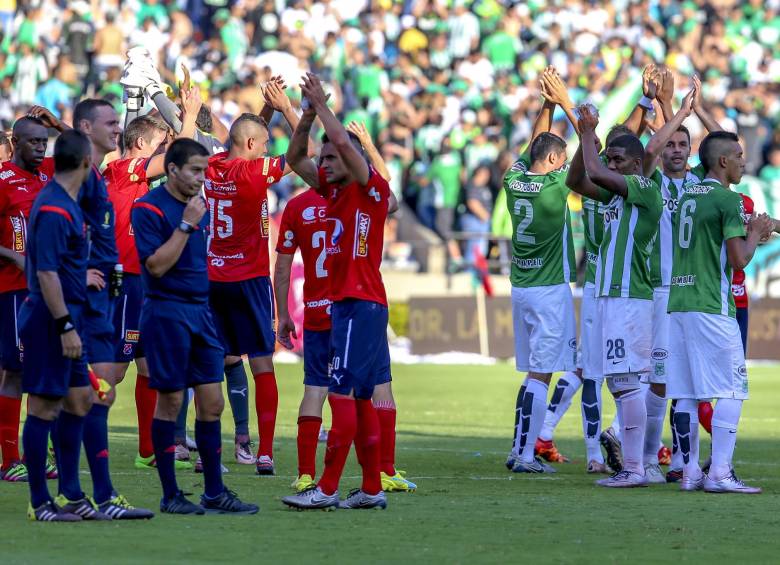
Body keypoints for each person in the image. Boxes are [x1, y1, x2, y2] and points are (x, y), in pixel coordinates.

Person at [281, 73, 397, 510]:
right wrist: (307, 116)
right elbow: (296, 157)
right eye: (324, 158)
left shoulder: (371, 188)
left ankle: (327, 488)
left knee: (341, 393)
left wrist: (322, 107)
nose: (324, 163)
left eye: (331, 158)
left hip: (359, 304)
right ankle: (371, 488)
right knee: (362, 399)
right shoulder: (335, 191)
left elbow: (346, 145)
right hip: (355, 305)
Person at [131, 138, 258, 514]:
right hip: (166, 313)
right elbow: (155, 266)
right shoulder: (149, 208)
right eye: (195, 170)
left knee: (213, 402)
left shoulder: (199, 205)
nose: (202, 178)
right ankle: (170, 495)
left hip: (202, 313)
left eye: (204, 170)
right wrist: (186, 225)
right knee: (171, 401)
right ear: (172, 170)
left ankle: (214, 492)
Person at [667, 131, 772, 494]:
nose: (744, 161)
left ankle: (690, 472)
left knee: (686, 392)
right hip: (711, 303)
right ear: (723, 161)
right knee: (732, 389)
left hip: (679, 303)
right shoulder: (727, 200)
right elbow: (738, 259)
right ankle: (720, 473)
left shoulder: (688, 193)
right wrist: (754, 233)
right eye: (739, 156)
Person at [19, 130, 115, 521]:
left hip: (67, 316)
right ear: (87, 163)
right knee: (45, 406)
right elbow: (46, 273)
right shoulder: (55, 208)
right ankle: (40, 502)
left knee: (80, 400)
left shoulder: (68, 203)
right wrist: (64, 326)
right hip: (50, 320)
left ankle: (72, 495)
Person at [103, 86, 200, 471]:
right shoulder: (124, 170)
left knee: (147, 368)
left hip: (142, 282)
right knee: (114, 370)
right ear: (141, 144)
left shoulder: (135, 180)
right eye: (160, 144)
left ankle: (148, 451)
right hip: (125, 281)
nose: (165, 151)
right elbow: (182, 157)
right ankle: (67, 434)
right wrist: (188, 115)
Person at [203, 78, 297, 474]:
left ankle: (209, 450)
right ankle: (265, 452)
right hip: (250, 280)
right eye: (264, 144)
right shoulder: (255, 173)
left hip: (212, 279)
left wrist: (266, 110)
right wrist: (288, 109)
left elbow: (241, 140)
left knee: (213, 364)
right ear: (254, 146)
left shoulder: (212, 166)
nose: (267, 149)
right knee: (261, 365)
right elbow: (303, 153)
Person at [566, 104, 662, 488]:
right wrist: (584, 141)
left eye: (618, 159)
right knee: (619, 383)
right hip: (611, 295)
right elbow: (576, 178)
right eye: (609, 158)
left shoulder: (645, 189)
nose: (611, 164)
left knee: (627, 382)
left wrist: (589, 132)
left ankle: (635, 468)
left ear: (637, 165)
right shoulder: (615, 197)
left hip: (629, 296)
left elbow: (593, 172)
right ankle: (634, 467)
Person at [641, 75, 719, 483]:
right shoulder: (651, 180)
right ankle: (647, 457)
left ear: (691, 151)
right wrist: (670, 109)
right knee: (659, 379)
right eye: (670, 143)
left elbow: (724, 147)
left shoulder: (699, 184)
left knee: (688, 380)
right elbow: (651, 149)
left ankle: (681, 463)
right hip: (659, 291)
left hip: (691, 295)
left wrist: (693, 110)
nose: (675, 149)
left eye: (682, 144)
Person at [503, 69, 578, 474]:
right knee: (540, 375)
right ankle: (525, 455)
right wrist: (565, 103)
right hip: (549, 289)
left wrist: (547, 104)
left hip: (521, 287)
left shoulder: (513, 179)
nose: (564, 165)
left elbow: (535, 143)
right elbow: (593, 151)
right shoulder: (556, 185)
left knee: (534, 373)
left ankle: (519, 448)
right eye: (561, 160)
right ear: (553, 161)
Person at [0, 116, 55, 483]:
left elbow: (88, 154)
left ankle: (34, 454)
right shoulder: (2, 180)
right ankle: (9, 459)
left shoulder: (48, 174)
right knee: (16, 371)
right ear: (15, 142)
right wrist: (15, 256)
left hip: (45, 289)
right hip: (13, 290)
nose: (40, 148)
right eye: (33, 141)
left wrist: (59, 125)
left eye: (44, 142)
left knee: (40, 371)